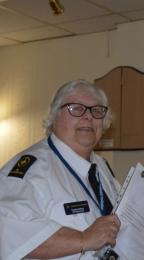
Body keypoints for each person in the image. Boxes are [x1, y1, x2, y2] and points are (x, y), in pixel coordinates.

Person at [0, 80, 121, 259]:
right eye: (76, 108)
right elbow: (7, 233)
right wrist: (84, 239)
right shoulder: (31, 171)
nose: (88, 117)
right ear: (54, 116)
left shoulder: (101, 167)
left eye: (97, 111)